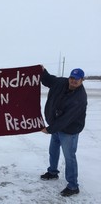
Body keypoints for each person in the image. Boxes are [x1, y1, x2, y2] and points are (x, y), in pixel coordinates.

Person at [40, 67, 87, 197]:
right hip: (56, 126)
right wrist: (42, 71)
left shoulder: (80, 98)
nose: (73, 81)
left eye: (77, 79)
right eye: (72, 78)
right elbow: (48, 80)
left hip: (69, 130)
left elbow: (66, 119)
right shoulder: (61, 82)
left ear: (82, 80)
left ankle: (73, 186)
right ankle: (53, 172)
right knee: (53, 150)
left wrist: (49, 129)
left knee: (69, 157)